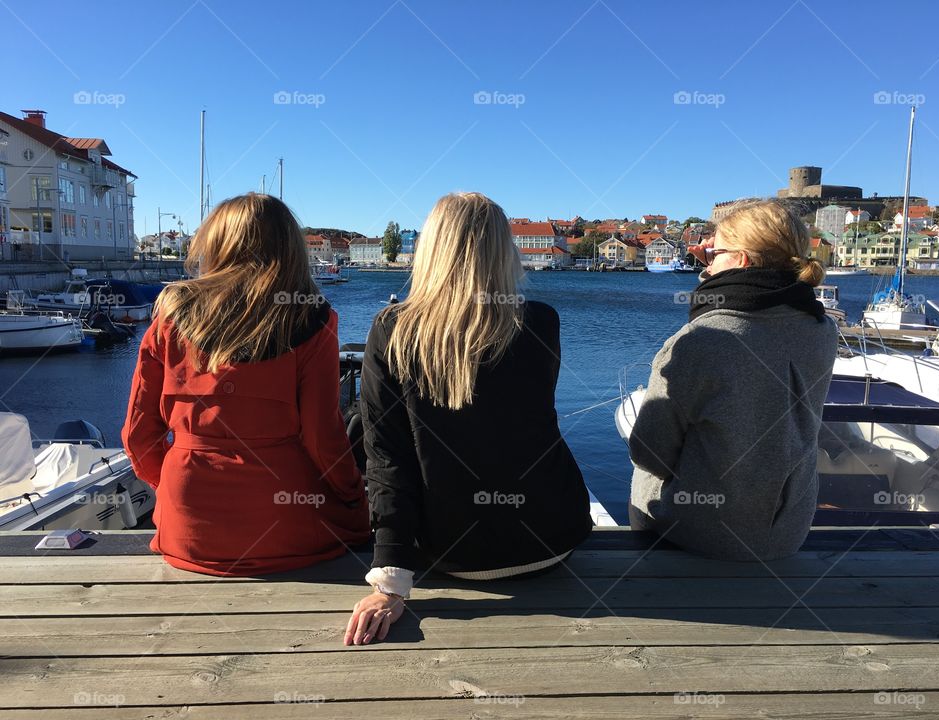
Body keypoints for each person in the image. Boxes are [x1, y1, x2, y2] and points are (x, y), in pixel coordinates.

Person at [345, 192, 592, 645]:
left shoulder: (392, 329)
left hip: (450, 550)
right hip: (551, 540)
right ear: (504, 250)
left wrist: (391, 584)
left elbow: (387, 458)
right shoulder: (540, 322)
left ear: (432, 248)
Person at [122, 193, 369, 576]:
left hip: (187, 529)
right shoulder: (312, 318)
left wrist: (173, 485)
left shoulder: (169, 317)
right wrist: (354, 495)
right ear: (289, 248)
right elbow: (323, 438)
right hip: (286, 522)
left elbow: (138, 435)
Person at [628, 199, 837, 561]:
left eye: (714, 252)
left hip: (702, 532)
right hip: (785, 532)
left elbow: (649, 451)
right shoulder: (822, 328)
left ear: (739, 260)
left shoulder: (702, 340)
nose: (706, 261)